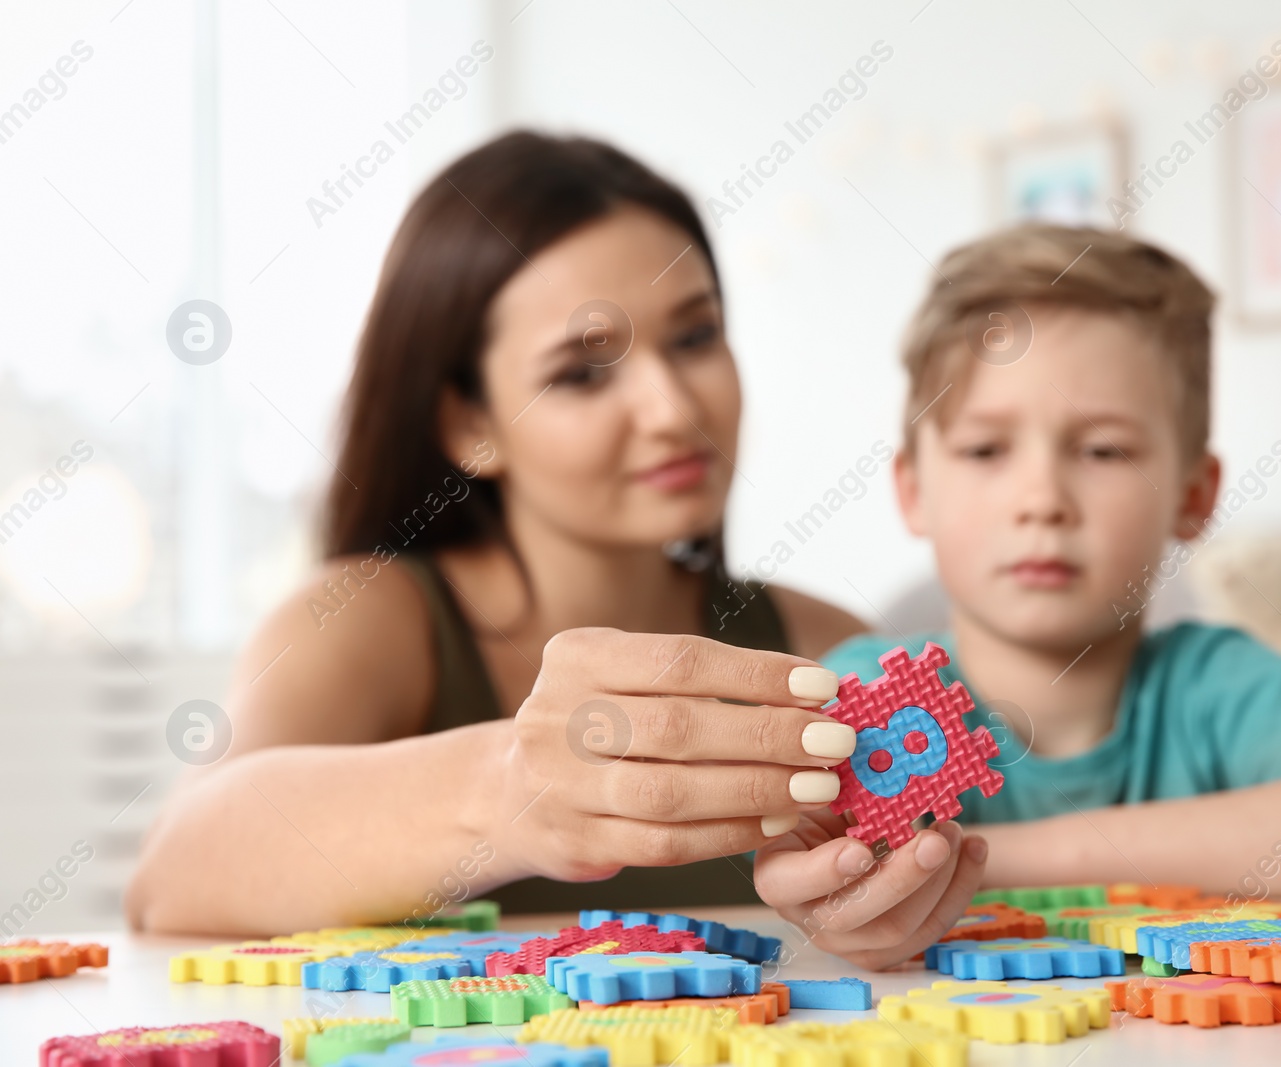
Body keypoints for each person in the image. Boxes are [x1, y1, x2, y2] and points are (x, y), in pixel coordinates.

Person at [126, 132, 984, 942]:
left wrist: (883, 915)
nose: (673, 410)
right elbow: (172, 875)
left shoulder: (826, 646)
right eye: (582, 371)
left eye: (695, 336)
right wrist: (505, 787)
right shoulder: (367, 618)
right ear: (469, 424)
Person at [752, 224, 1281, 970]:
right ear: (914, 489)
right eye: (987, 448)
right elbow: (797, 873)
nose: (1042, 498)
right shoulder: (861, 696)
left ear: (1194, 494)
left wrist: (1001, 864)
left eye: (1103, 449)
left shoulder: (1215, 685)